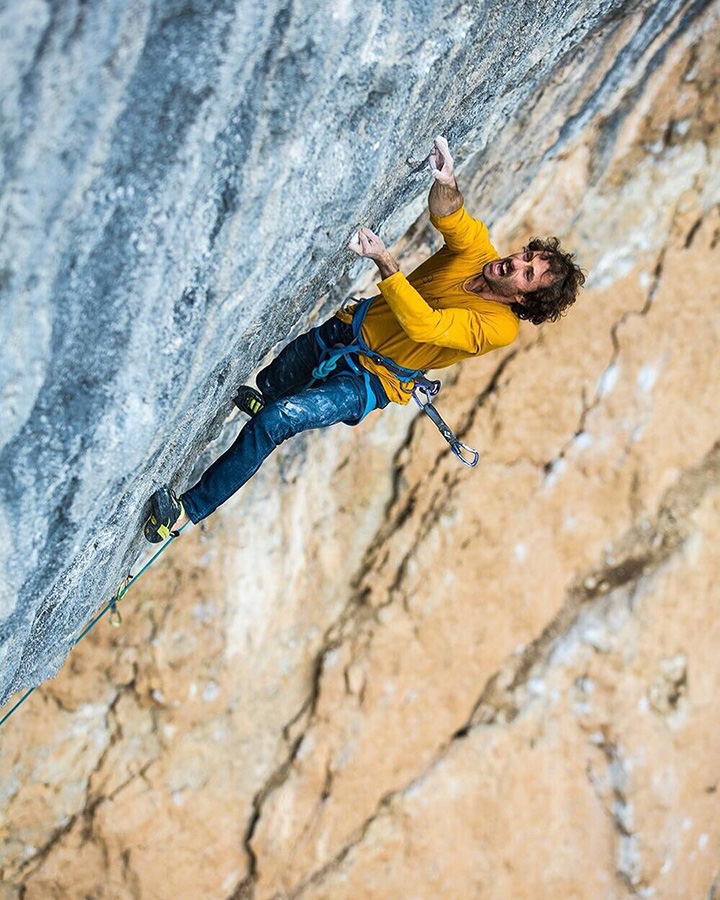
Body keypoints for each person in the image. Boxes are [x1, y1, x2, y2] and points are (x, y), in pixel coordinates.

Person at [144, 136, 585, 542]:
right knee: (273, 384)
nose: (516, 263)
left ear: (527, 301)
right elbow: (450, 215)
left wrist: (385, 262)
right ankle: (272, 399)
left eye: (528, 274)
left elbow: (426, 326)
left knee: (277, 420)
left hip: (370, 382)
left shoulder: (499, 328)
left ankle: (181, 516)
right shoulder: (479, 252)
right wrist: (446, 178)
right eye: (527, 255)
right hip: (346, 331)